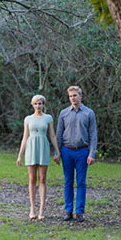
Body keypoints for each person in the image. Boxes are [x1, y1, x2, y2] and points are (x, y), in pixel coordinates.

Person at [55, 85, 98, 223]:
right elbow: (59, 134)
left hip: (82, 151)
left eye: (75, 95)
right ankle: (68, 211)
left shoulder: (88, 113)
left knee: (81, 182)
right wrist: (57, 152)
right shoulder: (64, 113)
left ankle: (79, 211)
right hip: (66, 150)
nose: (73, 98)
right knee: (68, 181)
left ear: (81, 96)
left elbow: (93, 134)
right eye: (70, 96)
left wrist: (92, 153)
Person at [17, 94, 61, 220]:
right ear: (33, 105)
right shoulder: (28, 119)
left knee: (42, 179)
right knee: (32, 179)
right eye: (36, 103)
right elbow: (25, 137)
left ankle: (42, 208)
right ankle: (32, 208)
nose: (38, 106)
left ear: (43, 104)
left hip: (43, 148)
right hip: (31, 148)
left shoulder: (48, 118)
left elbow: (52, 135)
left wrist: (57, 151)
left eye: (40, 103)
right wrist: (20, 155)